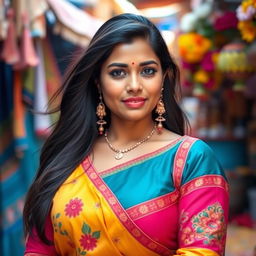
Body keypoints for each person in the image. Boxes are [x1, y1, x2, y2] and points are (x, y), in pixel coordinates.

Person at [23, 13, 229, 256]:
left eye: (148, 71)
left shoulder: (190, 160)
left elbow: (203, 252)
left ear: (164, 78)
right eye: (118, 73)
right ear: (98, 82)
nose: (134, 84)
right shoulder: (68, 159)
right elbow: (39, 249)